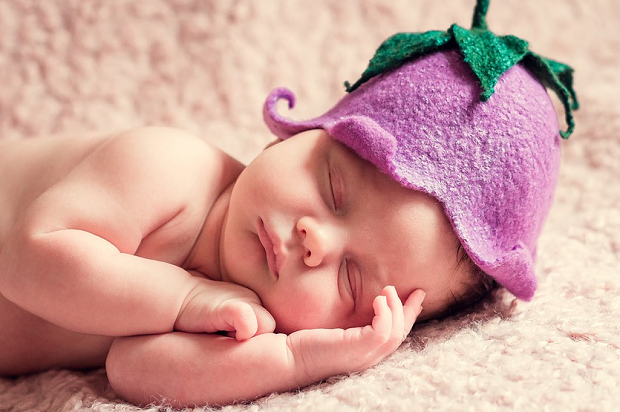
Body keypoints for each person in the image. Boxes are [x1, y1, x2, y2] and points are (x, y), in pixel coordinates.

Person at [0, 0, 577, 407]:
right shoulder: (167, 167)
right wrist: (189, 298)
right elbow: (27, 260)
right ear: (309, 134)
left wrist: (301, 359)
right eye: (334, 189)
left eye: (351, 280)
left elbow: (135, 370)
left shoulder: (250, 306)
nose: (315, 241)